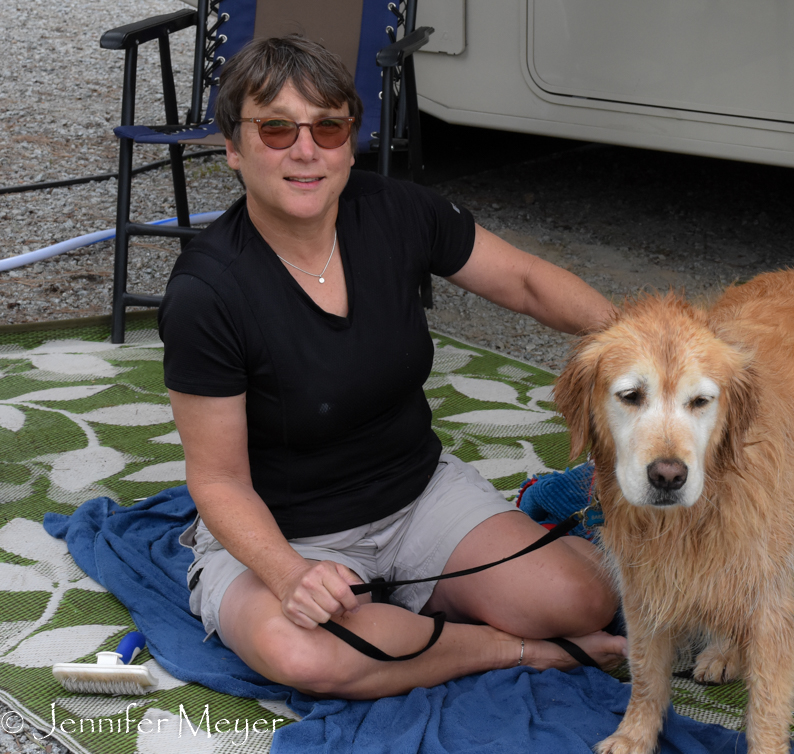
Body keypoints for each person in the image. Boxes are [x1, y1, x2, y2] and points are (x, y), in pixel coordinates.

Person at [158, 34, 626, 700]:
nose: (305, 150)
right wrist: (291, 574)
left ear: (351, 140)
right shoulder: (207, 292)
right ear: (233, 147)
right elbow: (218, 479)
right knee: (304, 655)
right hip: (288, 535)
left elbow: (523, 281)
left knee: (584, 600)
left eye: (327, 126)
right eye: (276, 128)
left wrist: (644, 339)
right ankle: (509, 649)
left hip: (416, 498)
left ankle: (538, 518)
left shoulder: (395, 212)